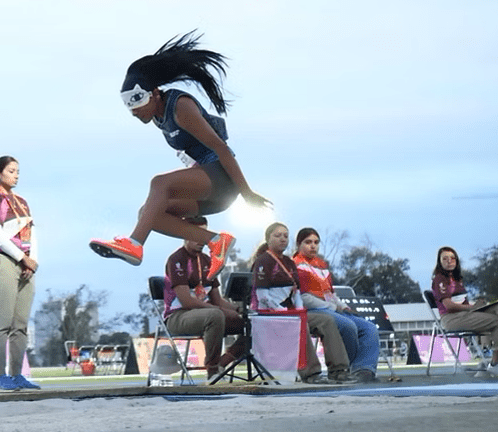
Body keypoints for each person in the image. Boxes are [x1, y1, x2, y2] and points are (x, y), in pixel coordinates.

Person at [90, 32, 271, 280]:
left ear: (154, 94)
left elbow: (220, 148)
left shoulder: (180, 106)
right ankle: (215, 241)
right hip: (211, 193)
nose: (135, 115)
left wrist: (246, 192)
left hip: (222, 177)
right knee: (148, 213)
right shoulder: (157, 116)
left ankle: (134, 244)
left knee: (158, 183)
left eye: (137, 107)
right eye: (131, 111)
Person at [251, 222, 353, 383]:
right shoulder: (263, 261)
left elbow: (297, 292)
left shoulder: (289, 262)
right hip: (269, 313)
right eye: (278, 236)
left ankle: (339, 370)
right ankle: (311, 373)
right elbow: (262, 296)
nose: (283, 239)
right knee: (298, 324)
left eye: (285, 236)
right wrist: (285, 312)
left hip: (291, 312)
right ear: (268, 239)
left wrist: (299, 310)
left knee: (326, 320)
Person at [162, 216, 248, 381]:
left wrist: (239, 309)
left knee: (253, 323)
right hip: (178, 316)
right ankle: (212, 371)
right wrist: (219, 310)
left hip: (206, 314)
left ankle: (223, 362)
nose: (203, 239)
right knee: (215, 316)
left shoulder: (208, 260)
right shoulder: (176, 260)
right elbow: (186, 301)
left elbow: (218, 300)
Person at [431, 246, 498, 376]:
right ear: (439, 261)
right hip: (452, 319)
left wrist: (477, 305)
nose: (449, 261)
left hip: (465, 314)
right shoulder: (440, 279)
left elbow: (460, 303)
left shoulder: (456, 279)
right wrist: (471, 307)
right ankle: (495, 363)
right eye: (445, 258)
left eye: (452, 258)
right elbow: (449, 306)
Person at [0, 156, 40, 392]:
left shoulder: (23, 202)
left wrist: (32, 261)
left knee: (21, 324)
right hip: (4, 261)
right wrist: (21, 258)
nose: (16, 175)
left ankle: (17, 374)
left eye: (18, 171)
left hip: (26, 264)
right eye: (11, 171)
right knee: (3, 321)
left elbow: (31, 233)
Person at [293, 227, 380, 382]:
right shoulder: (296, 265)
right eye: (308, 242)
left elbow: (330, 294)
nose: (313, 246)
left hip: (331, 308)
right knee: (347, 325)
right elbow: (304, 297)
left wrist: (342, 306)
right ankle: (344, 368)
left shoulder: (321, 266)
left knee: (369, 328)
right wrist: (332, 307)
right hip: (315, 310)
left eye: (316, 242)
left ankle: (364, 369)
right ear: (299, 244)